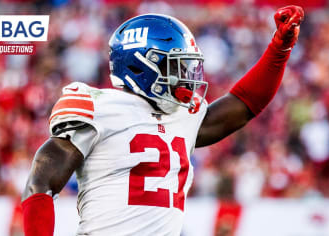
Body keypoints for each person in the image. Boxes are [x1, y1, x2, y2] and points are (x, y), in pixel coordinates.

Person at [21, 5, 304, 236]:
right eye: (176, 65)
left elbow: (244, 105)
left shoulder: (182, 116)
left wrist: (278, 50)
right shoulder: (100, 108)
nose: (187, 75)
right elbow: (41, 182)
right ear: (141, 64)